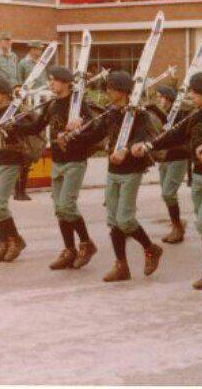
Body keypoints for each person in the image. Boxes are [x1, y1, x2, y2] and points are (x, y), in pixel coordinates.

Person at [133, 72, 202, 291]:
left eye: (194, 91)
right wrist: (150, 145)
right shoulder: (195, 116)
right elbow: (175, 135)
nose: (190, 95)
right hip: (197, 175)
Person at [9, 66, 99, 269]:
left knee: (67, 205)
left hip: (75, 161)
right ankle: (69, 250)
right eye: (50, 80)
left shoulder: (78, 105)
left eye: (54, 80)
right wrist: (13, 127)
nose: (51, 84)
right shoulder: (51, 105)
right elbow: (36, 127)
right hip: (58, 161)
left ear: (66, 83)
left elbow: (94, 129)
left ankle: (86, 243)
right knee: (59, 209)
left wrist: (79, 125)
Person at [85, 71, 163, 283]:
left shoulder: (139, 113)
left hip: (131, 171)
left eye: (111, 88)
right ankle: (121, 265)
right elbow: (95, 133)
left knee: (125, 219)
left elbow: (141, 137)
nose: (107, 92)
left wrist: (126, 150)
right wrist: (75, 134)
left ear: (123, 91)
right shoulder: (110, 113)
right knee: (113, 220)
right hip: (113, 171)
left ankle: (150, 248)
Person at [0, 76, 29, 263]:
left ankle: (15, 240)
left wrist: (4, 130)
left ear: (2, 92)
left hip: (10, 163)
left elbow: (26, 130)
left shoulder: (15, 113)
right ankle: (4, 244)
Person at [150, 85, 190, 244]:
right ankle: (176, 225)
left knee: (168, 193)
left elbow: (176, 134)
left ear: (170, 99)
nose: (161, 101)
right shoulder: (165, 115)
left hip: (178, 157)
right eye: (160, 98)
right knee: (166, 195)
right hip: (165, 158)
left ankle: (178, 227)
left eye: (163, 98)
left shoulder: (180, 115)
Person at [14, 40, 48, 201]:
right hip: (27, 105)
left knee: (35, 142)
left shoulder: (41, 64)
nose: (39, 52)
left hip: (40, 103)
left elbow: (45, 83)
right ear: (31, 49)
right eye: (37, 49)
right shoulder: (23, 64)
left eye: (40, 50)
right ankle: (18, 190)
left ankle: (21, 189)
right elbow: (18, 84)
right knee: (26, 146)